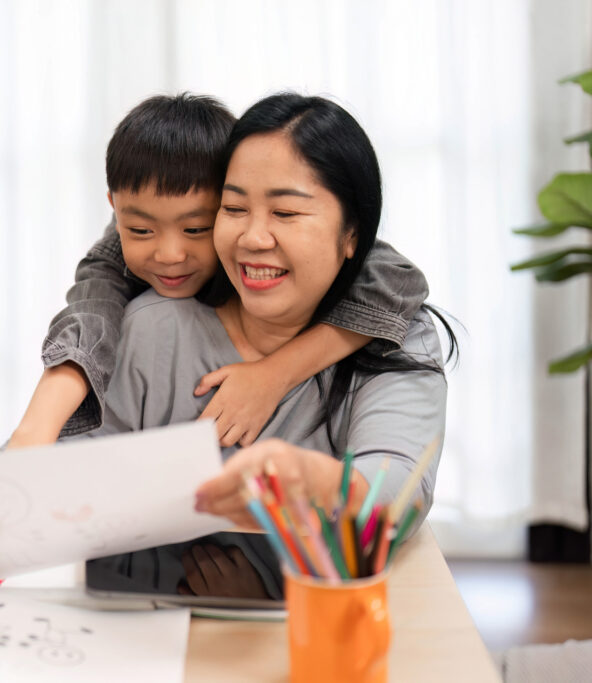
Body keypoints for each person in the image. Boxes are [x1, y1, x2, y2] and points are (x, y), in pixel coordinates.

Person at [88, 93, 455, 597]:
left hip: (326, 616)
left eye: (285, 212)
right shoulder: (153, 324)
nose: (253, 238)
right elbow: (79, 471)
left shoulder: (398, 342)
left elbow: (395, 494)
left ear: (352, 233)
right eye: (234, 208)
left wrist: (308, 480)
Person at [8, 93, 430, 452]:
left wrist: (276, 374)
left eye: (197, 228)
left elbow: (398, 278)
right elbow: (89, 316)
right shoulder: (125, 266)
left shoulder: (299, 241)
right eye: (139, 230)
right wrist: (34, 431)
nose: (170, 254)